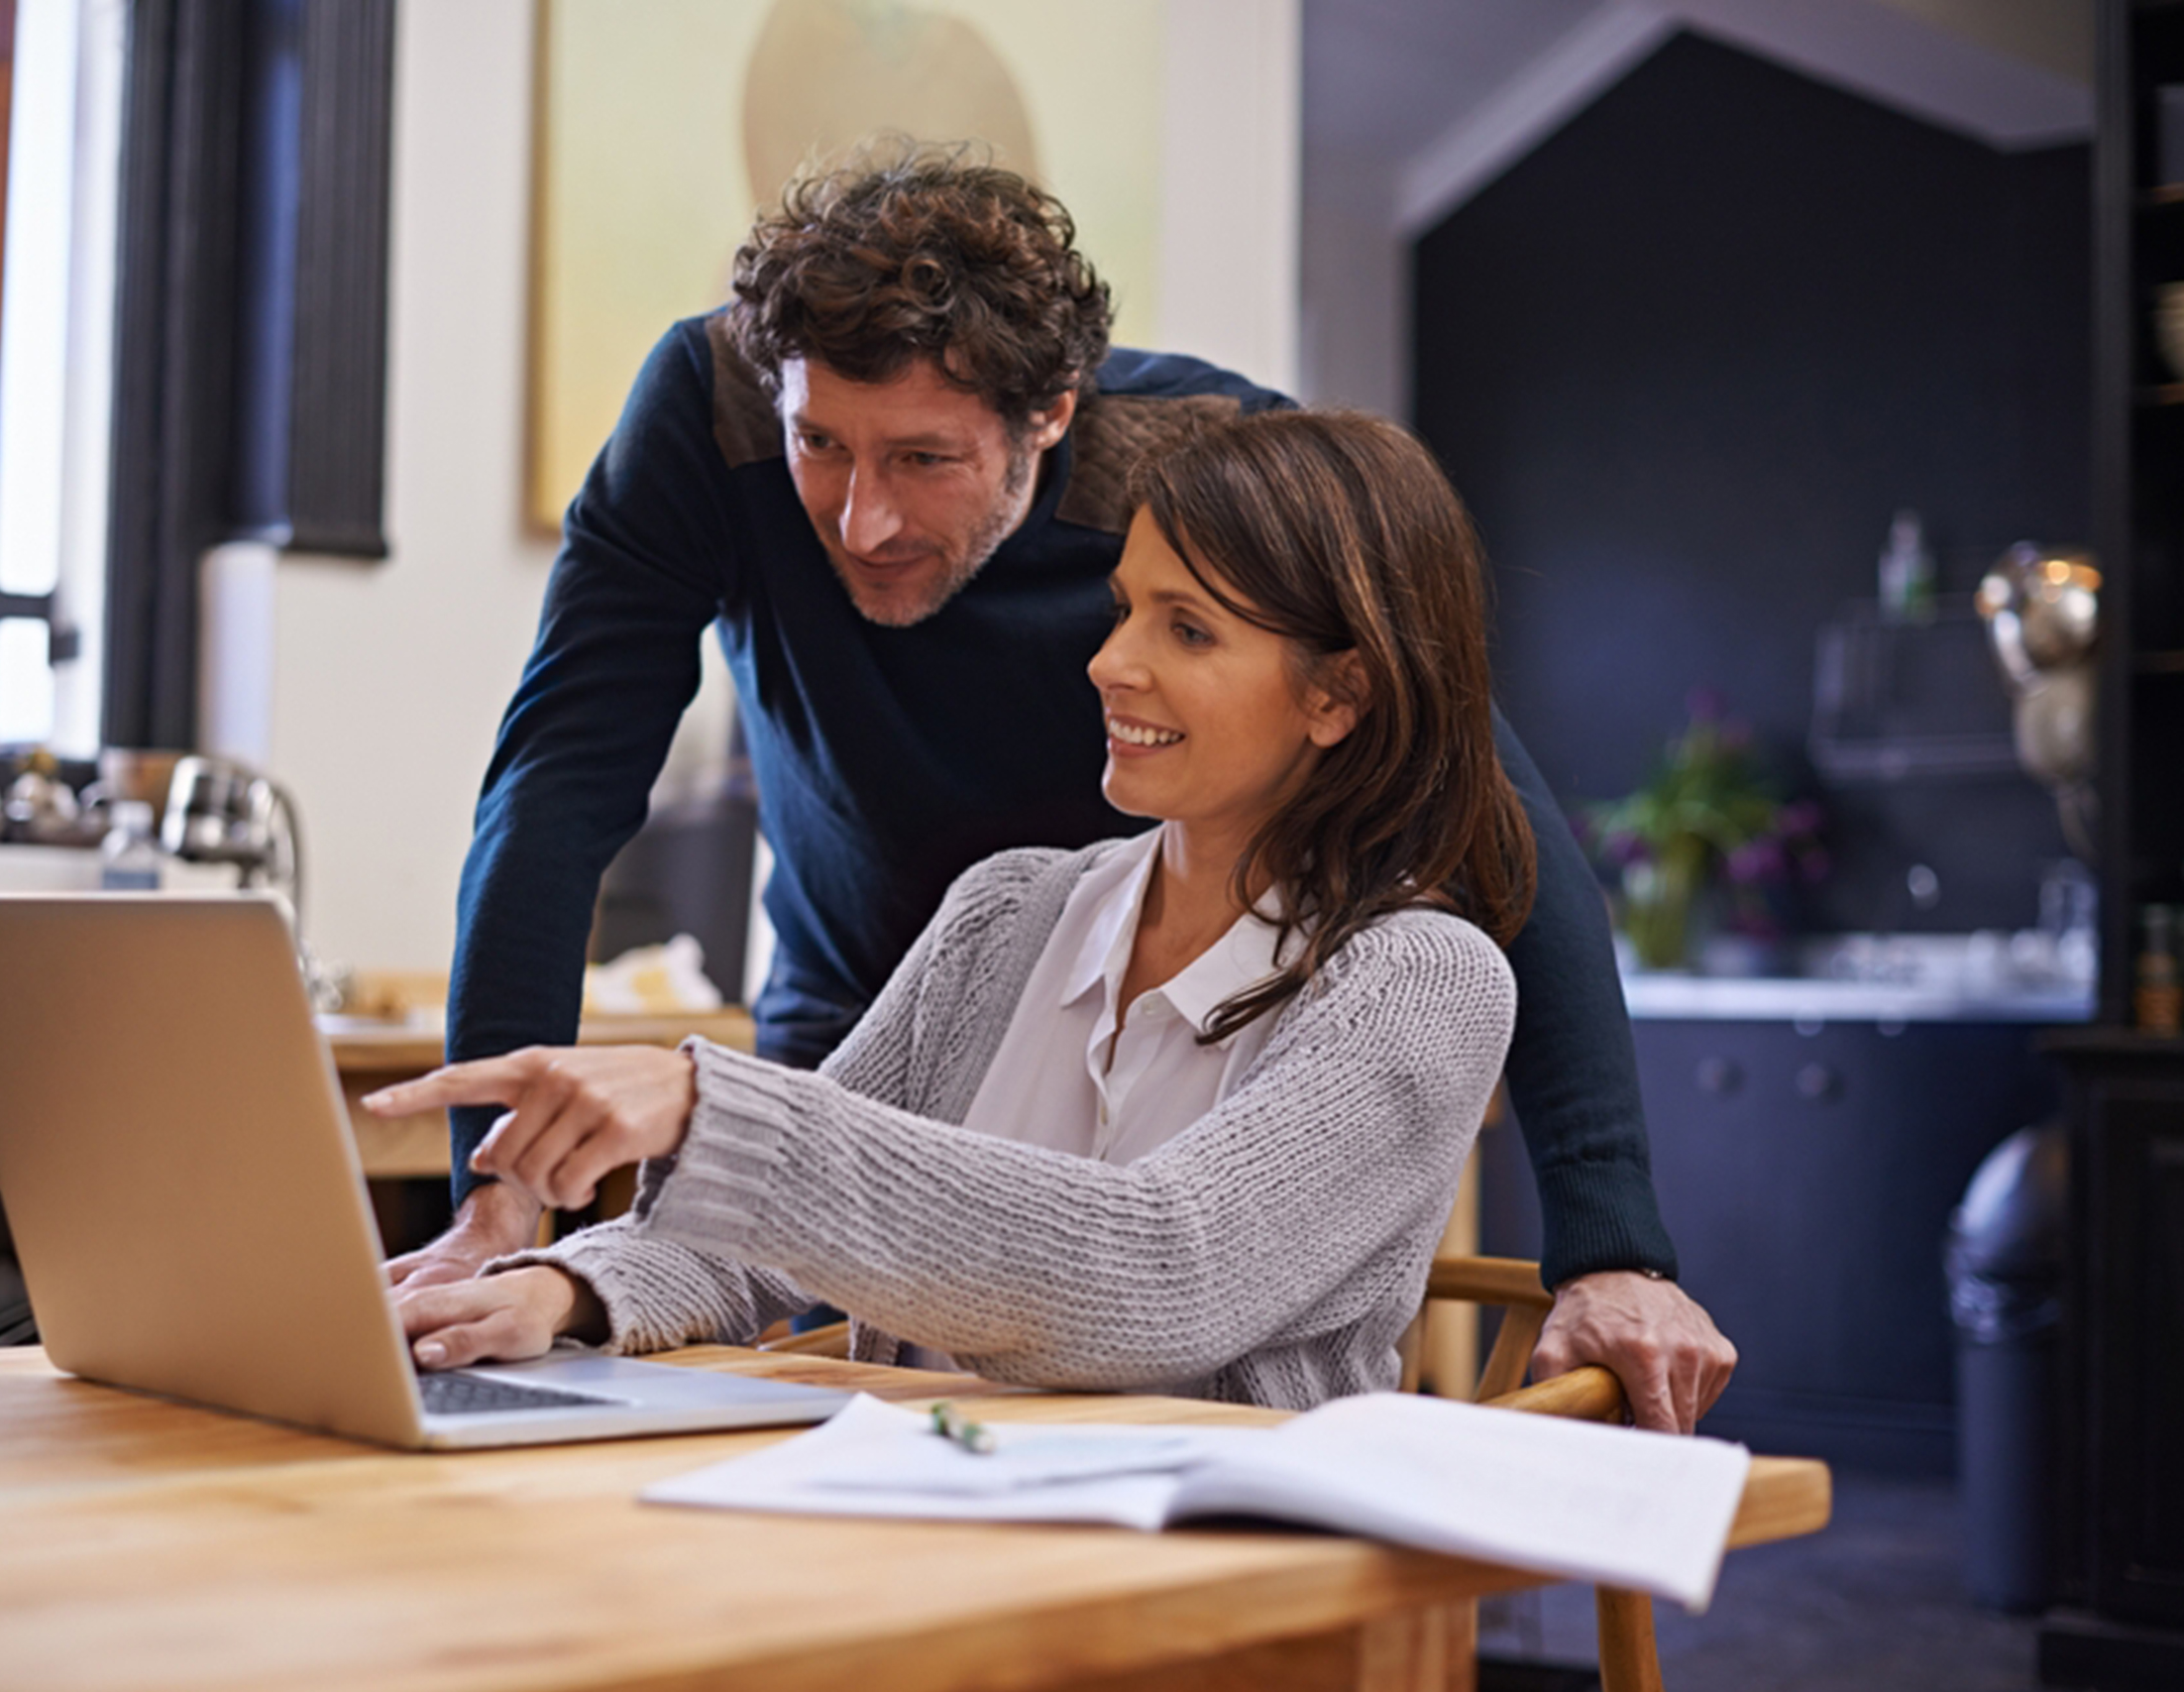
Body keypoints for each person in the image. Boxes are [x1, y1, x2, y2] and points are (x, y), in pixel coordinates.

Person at [394, 146, 1734, 1429]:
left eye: (925, 458)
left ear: (1054, 414)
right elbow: (553, 791)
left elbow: (1158, 1268)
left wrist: (1611, 1236)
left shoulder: (1224, 491)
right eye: (821, 449)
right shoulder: (998, 913)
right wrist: (529, 1252)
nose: (860, 521)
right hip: (944, 1005)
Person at [371, 409, 1530, 1405]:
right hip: (921, 1534)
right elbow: (771, 1241)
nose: (1109, 663)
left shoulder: (1423, 982)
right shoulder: (1006, 912)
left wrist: (712, 1109)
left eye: (1187, 629)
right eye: (1124, 608)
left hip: (1213, 1605)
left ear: (1339, 694)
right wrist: (559, 1290)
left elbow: (1162, 1273)